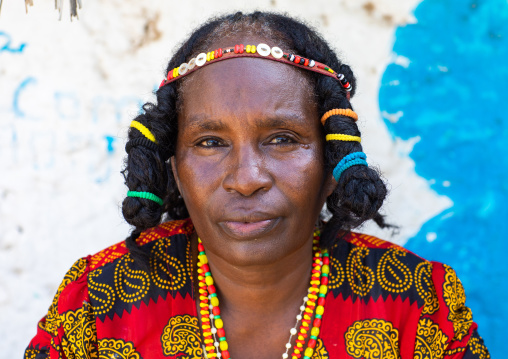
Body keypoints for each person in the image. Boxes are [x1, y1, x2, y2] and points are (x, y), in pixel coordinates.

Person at [24, 11, 490, 359]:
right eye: (209, 141)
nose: (246, 179)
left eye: (282, 139)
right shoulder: (99, 301)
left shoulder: (412, 300)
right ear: (175, 168)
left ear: (333, 161)